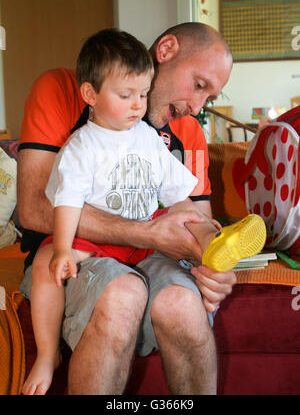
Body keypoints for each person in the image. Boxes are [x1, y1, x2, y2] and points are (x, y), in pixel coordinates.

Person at [17, 22, 241, 395]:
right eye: (199, 85)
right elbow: (34, 208)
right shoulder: (60, 93)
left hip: (153, 257)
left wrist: (214, 259)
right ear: (166, 50)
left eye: (209, 98)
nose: (197, 107)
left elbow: (193, 217)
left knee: (183, 306)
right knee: (123, 294)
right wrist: (144, 232)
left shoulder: (186, 133)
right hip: (80, 254)